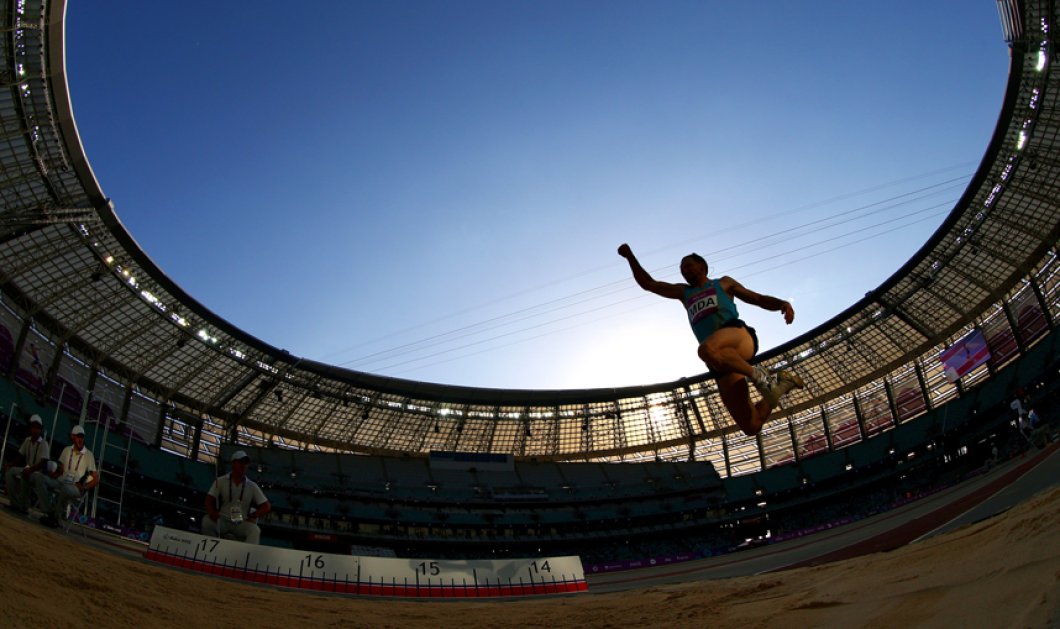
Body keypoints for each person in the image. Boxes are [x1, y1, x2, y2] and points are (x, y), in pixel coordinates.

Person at [618, 244, 804, 436]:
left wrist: (782, 304)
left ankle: (759, 376)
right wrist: (630, 257)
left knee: (705, 350)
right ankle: (782, 384)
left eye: (688, 266)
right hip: (721, 360)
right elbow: (649, 284)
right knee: (751, 426)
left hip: (738, 336)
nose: (684, 271)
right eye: (681, 269)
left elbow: (756, 298)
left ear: (703, 267)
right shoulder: (684, 293)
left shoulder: (723, 283)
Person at [31, 424, 98, 528]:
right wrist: (54, 474)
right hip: (62, 481)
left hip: (75, 487)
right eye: (78, 436)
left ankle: (55, 517)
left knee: (66, 489)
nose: (80, 439)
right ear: (72, 437)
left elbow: (96, 479)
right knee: (40, 477)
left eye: (82, 437)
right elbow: (61, 470)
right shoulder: (66, 450)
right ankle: (49, 511)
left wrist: (84, 487)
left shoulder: (89, 455)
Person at [202, 450, 271, 545]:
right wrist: (211, 512)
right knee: (207, 522)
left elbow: (266, 506)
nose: (243, 465)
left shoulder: (252, 485)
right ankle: (211, 546)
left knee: (255, 530)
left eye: (245, 463)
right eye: (241, 462)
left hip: (240, 522)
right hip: (223, 518)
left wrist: (254, 515)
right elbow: (209, 499)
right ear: (233, 463)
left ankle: (246, 555)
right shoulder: (221, 481)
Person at [4, 414, 50, 513]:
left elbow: (43, 463)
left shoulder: (43, 443)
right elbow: (20, 456)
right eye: (33, 427)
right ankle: (15, 503)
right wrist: (10, 464)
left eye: (38, 428)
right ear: (30, 428)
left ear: (40, 430)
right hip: (28, 469)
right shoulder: (27, 440)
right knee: (10, 472)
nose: (35, 430)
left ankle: (24, 505)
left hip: (38, 473)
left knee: (26, 475)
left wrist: (30, 470)